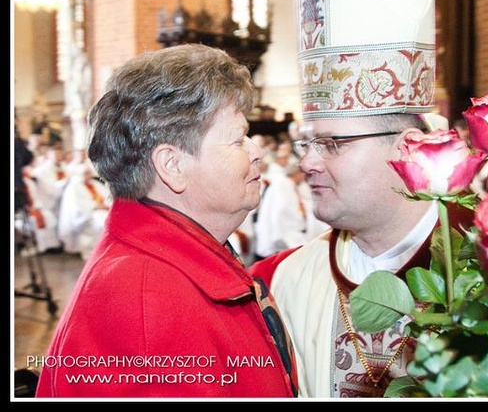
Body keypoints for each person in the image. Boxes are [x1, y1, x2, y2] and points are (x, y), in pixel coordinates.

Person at [250, 0, 472, 398]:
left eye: (332, 143)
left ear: (408, 148)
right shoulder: (282, 281)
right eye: (308, 142)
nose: (307, 161)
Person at [35, 44, 297, 398]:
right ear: (172, 166)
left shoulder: (171, 259)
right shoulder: (145, 301)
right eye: (238, 139)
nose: (257, 151)